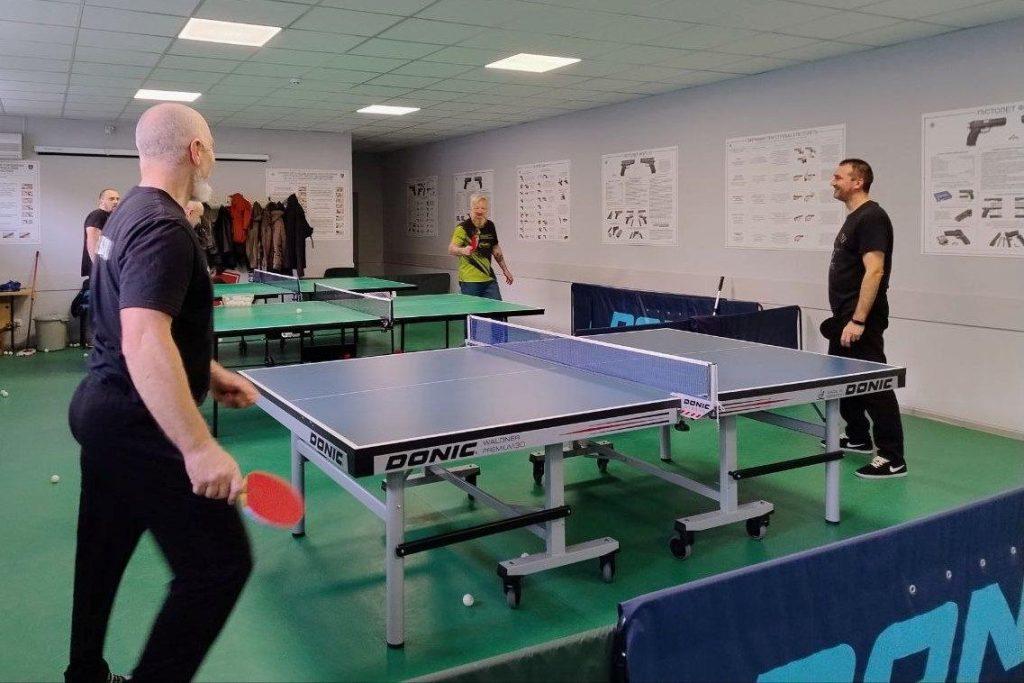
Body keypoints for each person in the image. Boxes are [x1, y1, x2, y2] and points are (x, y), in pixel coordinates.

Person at [65, 103, 258, 682]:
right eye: (212, 145)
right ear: (196, 152)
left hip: (101, 409)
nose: (213, 156)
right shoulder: (166, 227)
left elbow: (140, 317)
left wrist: (208, 371)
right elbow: (145, 338)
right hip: (137, 422)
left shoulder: (126, 211)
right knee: (219, 565)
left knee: (102, 552)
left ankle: (84, 673)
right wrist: (198, 447)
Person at [823, 158, 906, 480]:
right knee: (842, 379)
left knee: (874, 385)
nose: (833, 181)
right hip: (844, 316)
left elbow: (875, 271)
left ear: (858, 182)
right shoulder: (855, 217)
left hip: (861, 319)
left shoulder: (872, 217)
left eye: (838, 177)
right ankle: (858, 435)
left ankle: (892, 457)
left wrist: (858, 321)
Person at [448, 194, 513, 300]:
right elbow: (451, 249)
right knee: (472, 309)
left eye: (483, 208)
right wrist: (462, 250)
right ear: (471, 209)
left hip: (489, 279)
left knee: (497, 309)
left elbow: (496, 250)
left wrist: (505, 270)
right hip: (469, 280)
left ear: (486, 210)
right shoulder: (463, 228)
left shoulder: (490, 226)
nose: (479, 211)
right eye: (476, 208)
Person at [81, 188, 120, 277]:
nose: (115, 201)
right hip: (101, 271)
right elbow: (93, 245)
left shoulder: (111, 217)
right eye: (111, 199)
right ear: (101, 201)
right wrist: (100, 270)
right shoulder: (97, 216)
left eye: (117, 199)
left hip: (109, 268)